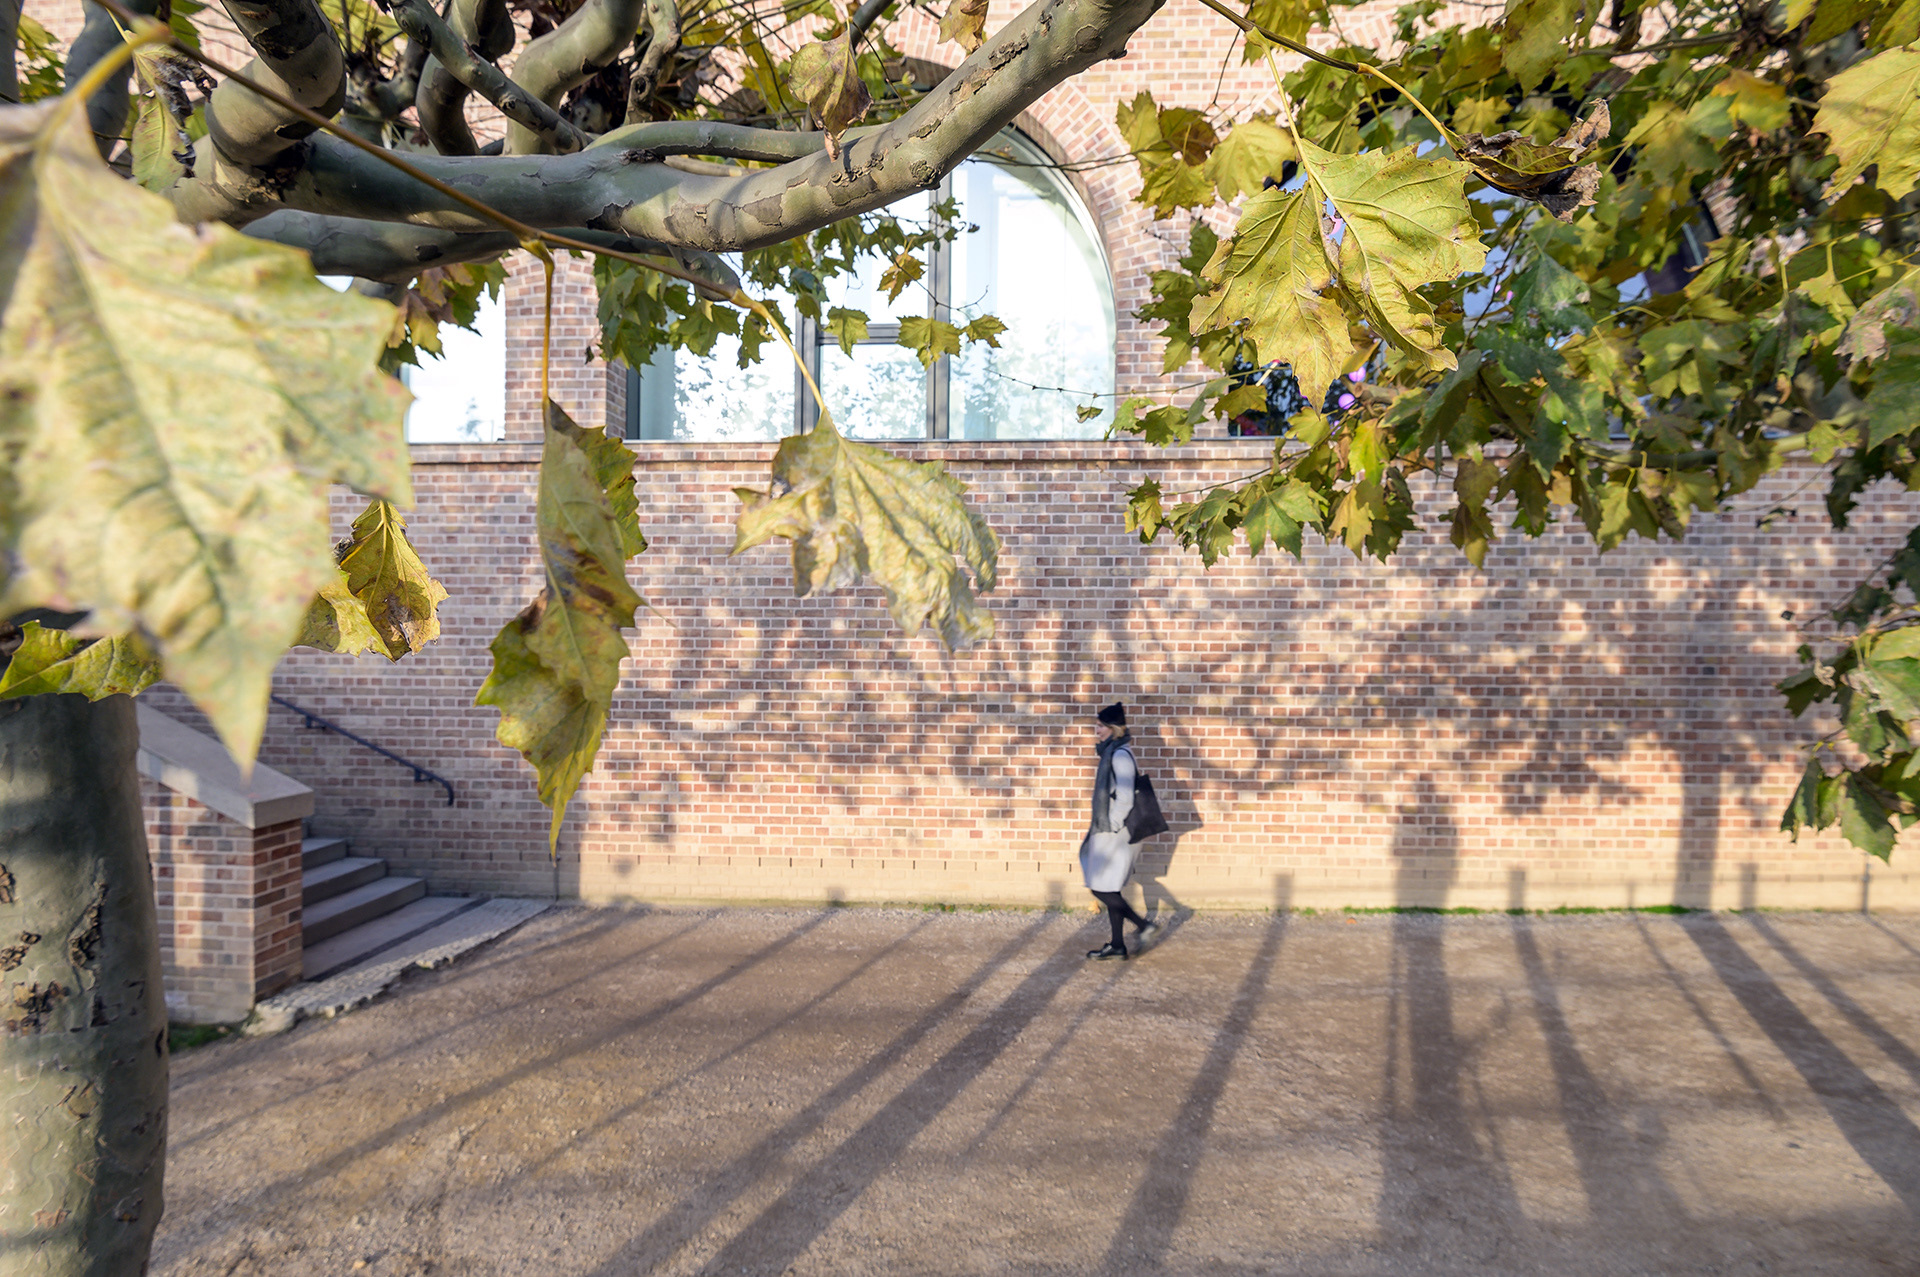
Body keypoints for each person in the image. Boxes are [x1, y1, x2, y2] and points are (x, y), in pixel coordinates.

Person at [1080, 702, 1163, 960]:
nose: (1097, 731)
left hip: (1117, 830)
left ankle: (1144, 926)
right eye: (1096, 725)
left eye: (1101, 726)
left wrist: (1112, 826)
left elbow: (1125, 798)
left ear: (1114, 728)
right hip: (1112, 828)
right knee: (1110, 887)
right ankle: (1117, 945)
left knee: (1100, 888)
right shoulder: (1113, 753)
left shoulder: (1119, 756)